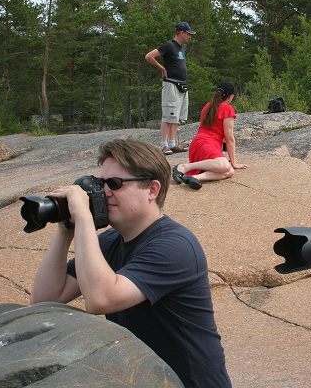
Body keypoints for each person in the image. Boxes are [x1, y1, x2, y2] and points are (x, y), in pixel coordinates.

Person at [29, 138, 232, 388]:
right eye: (102, 183)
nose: (104, 192)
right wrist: (65, 229)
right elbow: (45, 300)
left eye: (115, 184)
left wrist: (83, 216)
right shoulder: (109, 242)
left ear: (152, 190)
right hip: (147, 379)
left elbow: (101, 299)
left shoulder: (175, 246)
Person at [171, 82, 248, 190]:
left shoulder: (208, 105)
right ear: (231, 97)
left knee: (229, 171)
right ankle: (184, 167)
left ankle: (193, 177)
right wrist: (234, 162)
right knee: (225, 165)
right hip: (207, 145)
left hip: (197, 145)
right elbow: (229, 139)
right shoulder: (227, 109)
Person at [145, 21, 195, 156]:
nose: (190, 36)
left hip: (181, 85)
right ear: (182, 33)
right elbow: (149, 56)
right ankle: (164, 144)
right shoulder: (169, 45)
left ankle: (172, 144)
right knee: (168, 114)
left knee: (176, 115)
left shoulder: (181, 47)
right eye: (188, 34)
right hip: (171, 84)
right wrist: (161, 67)